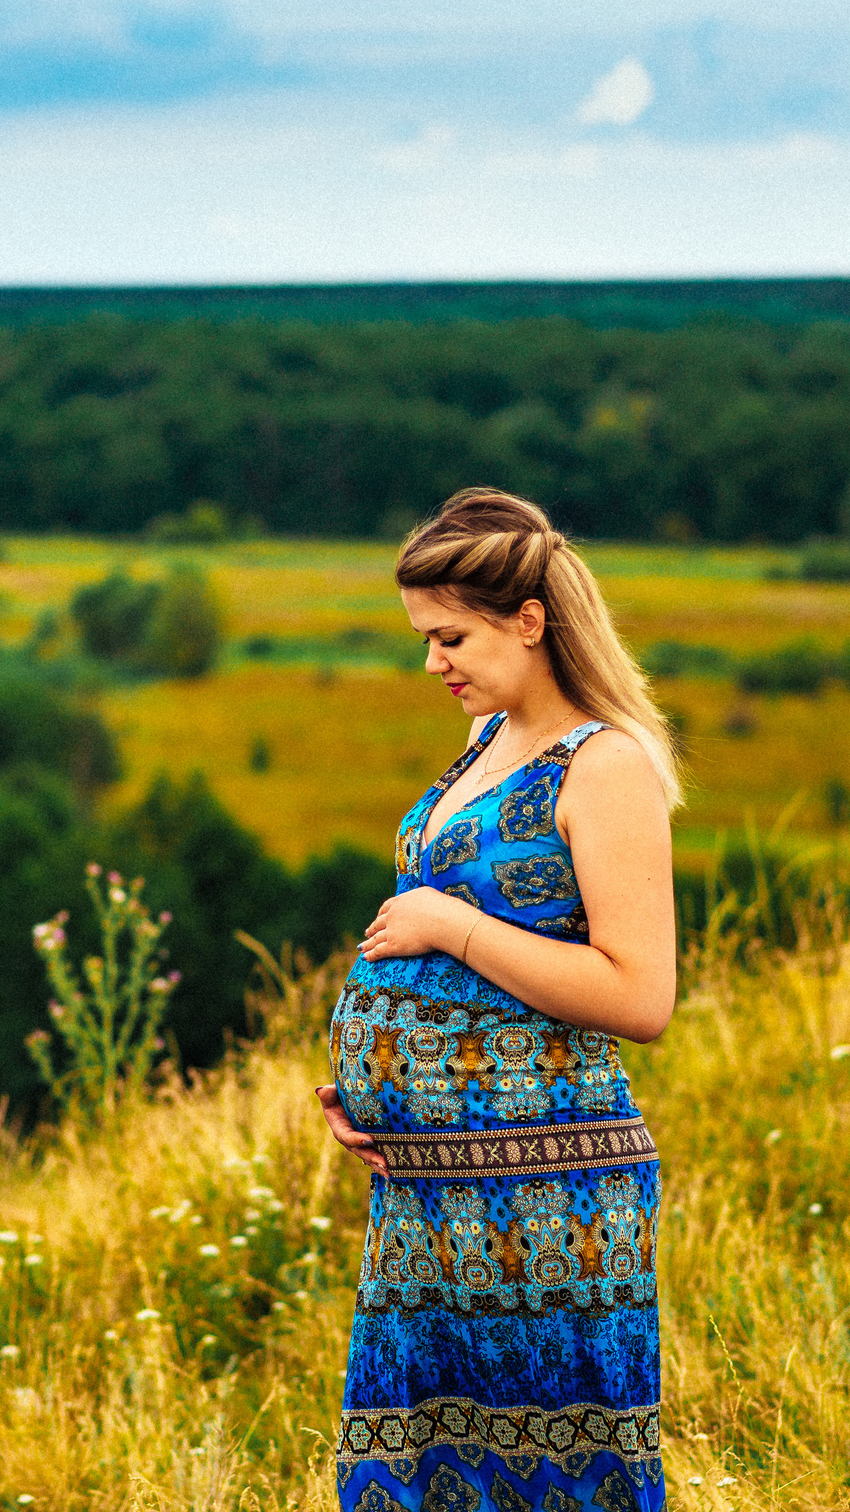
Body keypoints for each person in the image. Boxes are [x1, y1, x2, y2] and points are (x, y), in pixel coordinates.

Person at [315, 487, 681, 1512]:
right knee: (421, 1465)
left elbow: (640, 991)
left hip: (546, 1203)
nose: (432, 662)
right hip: (426, 1192)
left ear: (529, 620)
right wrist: (371, 1089)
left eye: (449, 636)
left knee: (549, 1473)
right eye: (424, 639)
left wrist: (448, 922)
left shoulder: (603, 764)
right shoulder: (485, 746)